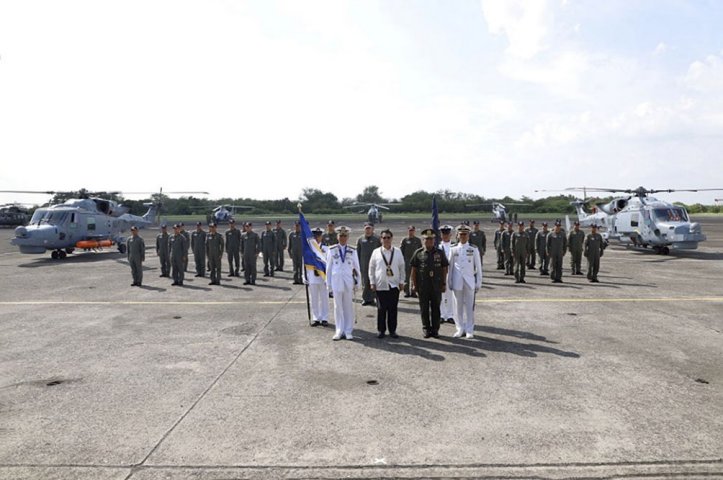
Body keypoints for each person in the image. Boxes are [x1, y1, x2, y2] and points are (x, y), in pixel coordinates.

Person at [410, 229, 449, 338]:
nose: (429, 241)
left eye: (431, 239)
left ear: (434, 240)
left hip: (436, 285)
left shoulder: (440, 253)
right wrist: (413, 284)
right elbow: (414, 270)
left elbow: (444, 268)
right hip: (423, 285)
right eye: (427, 239)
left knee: (436, 307)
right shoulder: (418, 253)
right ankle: (426, 328)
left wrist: (444, 283)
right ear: (423, 240)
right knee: (424, 308)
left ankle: (435, 329)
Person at [369, 229, 406, 339]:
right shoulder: (376, 252)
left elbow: (402, 268)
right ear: (381, 239)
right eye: (384, 238)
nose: (386, 240)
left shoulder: (398, 251)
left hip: (394, 285)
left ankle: (392, 330)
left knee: (393, 309)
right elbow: (371, 268)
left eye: (388, 237)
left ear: (391, 238)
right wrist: (372, 282)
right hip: (381, 285)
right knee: (381, 309)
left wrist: (401, 282)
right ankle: (381, 330)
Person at [448, 224, 482, 339]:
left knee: (469, 307)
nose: (463, 236)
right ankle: (459, 328)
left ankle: (469, 329)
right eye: (461, 234)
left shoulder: (473, 249)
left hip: (469, 281)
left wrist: (478, 282)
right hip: (457, 281)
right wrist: (449, 281)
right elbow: (450, 267)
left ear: (468, 235)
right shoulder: (453, 249)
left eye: (465, 234)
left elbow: (478, 267)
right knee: (457, 306)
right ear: (457, 235)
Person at [326, 226, 360, 341]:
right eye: (341, 235)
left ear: (348, 237)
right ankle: (339, 330)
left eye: (345, 236)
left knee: (348, 306)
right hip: (336, 282)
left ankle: (348, 330)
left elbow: (357, 267)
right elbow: (329, 268)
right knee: (337, 306)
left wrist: (358, 282)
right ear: (337, 237)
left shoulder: (352, 250)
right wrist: (328, 284)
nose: (343, 238)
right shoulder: (332, 249)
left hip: (348, 282)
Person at [307, 228, 329, 326]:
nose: (317, 238)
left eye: (318, 235)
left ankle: (324, 318)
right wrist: (305, 276)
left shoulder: (326, 249)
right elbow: (305, 263)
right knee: (314, 298)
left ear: (321, 237)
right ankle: (316, 317)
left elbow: (329, 264)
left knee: (324, 298)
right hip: (312, 276)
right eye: (315, 236)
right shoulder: (308, 249)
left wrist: (329, 278)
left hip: (323, 277)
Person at [356, 223, 381, 306]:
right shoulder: (360, 239)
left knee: (375, 281)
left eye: (369, 228)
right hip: (364, 264)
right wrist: (357, 264)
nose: (368, 230)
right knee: (366, 282)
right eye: (366, 228)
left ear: (373, 229)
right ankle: (366, 299)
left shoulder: (377, 239)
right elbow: (358, 252)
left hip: (375, 264)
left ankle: (375, 298)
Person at [439, 225, 456, 324]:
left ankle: (450, 315)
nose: (445, 236)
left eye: (447, 234)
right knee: (441, 295)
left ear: (450, 235)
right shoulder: (437, 246)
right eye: (443, 234)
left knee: (450, 295)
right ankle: (441, 314)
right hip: (440, 273)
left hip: (451, 273)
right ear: (441, 235)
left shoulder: (454, 246)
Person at [399, 225, 422, 298]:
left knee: (414, 277)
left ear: (414, 231)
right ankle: (406, 292)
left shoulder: (417, 240)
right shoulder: (404, 240)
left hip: (415, 261)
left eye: (412, 230)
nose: (411, 232)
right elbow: (401, 251)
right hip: (406, 261)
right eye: (410, 230)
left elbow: (420, 251)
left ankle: (413, 291)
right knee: (406, 278)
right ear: (408, 231)